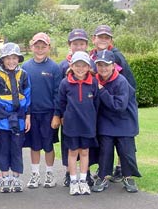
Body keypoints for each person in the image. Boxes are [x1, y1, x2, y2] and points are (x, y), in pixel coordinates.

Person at [90, 25, 137, 182]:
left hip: (121, 107)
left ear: (111, 40)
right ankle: (106, 170)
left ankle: (120, 170)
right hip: (105, 108)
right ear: (94, 39)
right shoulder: (92, 56)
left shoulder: (116, 56)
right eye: (100, 37)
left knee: (123, 141)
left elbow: (127, 87)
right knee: (105, 143)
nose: (103, 40)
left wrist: (105, 93)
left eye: (107, 37)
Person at [0, 42, 31, 193]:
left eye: (14, 58)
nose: (11, 61)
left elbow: (28, 96)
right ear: (3, 60)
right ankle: (5, 177)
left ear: (18, 59)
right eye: (8, 58)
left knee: (17, 149)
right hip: (2, 120)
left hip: (19, 119)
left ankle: (16, 177)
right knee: (3, 149)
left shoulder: (24, 75)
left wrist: (28, 116)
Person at [22, 32, 61, 189]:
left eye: (43, 47)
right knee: (34, 145)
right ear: (32, 47)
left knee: (48, 144)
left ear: (48, 48)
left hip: (49, 114)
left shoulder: (54, 67)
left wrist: (57, 115)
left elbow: (58, 93)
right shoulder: (25, 67)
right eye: (37, 46)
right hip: (31, 114)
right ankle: (35, 174)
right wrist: (26, 114)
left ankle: (50, 174)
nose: (39, 49)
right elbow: (23, 92)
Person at [58, 51, 99, 195]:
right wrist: (63, 118)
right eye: (77, 65)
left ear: (88, 67)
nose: (80, 68)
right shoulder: (65, 83)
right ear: (71, 66)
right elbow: (61, 103)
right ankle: (73, 181)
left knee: (85, 152)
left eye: (83, 65)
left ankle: (83, 180)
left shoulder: (93, 82)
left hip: (88, 125)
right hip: (71, 126)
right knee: (73, 152)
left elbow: (96, 103)